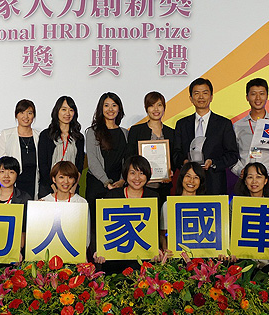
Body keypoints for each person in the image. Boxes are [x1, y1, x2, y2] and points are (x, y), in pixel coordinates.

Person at [174, 78, 239, 195]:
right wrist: (185, 162)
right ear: (191, 98)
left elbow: (232, 154)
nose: (201, 97)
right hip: (188, 184)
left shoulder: (223, 124)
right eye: (196, 93)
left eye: (205, 93)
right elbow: (176, 153)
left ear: (211, 97)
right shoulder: (182, 124)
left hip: (214, 183)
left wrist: (213, 163)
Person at [98, 156, 160, 273]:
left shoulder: (153, 197)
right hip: (115, 257)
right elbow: (103, 227)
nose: (137, 178)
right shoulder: (113, 196)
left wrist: (158, 249)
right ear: (125, 174)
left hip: (144, 258)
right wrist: (99, 250)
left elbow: (156, 229)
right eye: (132, 173)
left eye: (141, 173)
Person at [126, 91, 177, 206]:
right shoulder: (136, 131)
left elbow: (174, 157)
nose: (156, 109)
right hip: (141, 186)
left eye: (159, 105)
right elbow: (130, 157)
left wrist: (170, 171)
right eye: (151, 105)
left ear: (164, 108)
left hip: (164, 186)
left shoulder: (171, 132)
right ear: (146, 108)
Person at [85, 92, 129, 224]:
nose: (110, 109)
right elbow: (92, 161)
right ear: (101, 108)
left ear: (119, 108)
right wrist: (106, 182)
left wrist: (122, 180)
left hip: (119, 185)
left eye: (114, 105)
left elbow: (127, 160)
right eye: (106, 105)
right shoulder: (92, 131)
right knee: (96, 225)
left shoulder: (125, 133)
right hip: (97, 184)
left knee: (116, 224)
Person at [37, 97, 85, 198]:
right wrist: (54, 188)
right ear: (57, 111)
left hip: (71, 187)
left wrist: (73, 186)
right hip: (49, 187)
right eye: (64, 109)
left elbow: (79, 165)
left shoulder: (78, 137)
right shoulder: (46, 135)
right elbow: (43, 164)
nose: (67, 113)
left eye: (71, 110)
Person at [0, 99, 40, 200]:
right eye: (22, 112)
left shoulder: (39, 136)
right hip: (13, 182)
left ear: (33, 116)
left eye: (29, 113)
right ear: (16, 115)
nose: (26, 116)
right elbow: (0, 162)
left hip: (33, 181)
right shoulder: (6, 134)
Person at [159, 162, 206, 252]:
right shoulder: (168, 205)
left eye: (196, 177)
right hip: (176, 255)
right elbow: (163, 234)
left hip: (202, 254)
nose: (191, 181)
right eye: (188, 176)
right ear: (181, 178)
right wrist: (166, 251)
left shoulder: (208, 206)